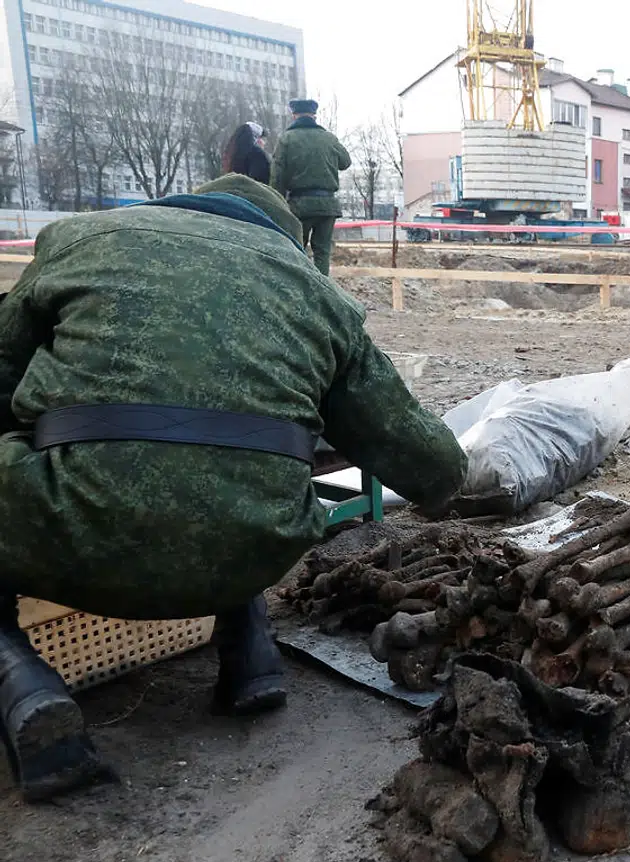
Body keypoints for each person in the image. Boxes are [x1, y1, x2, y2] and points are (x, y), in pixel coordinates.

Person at [0, 173, 465, 802]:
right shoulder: (316, 293)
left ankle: (26, 687)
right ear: (282, 236)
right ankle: (251, 657)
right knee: (243, 473)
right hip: (255, 548)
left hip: (71, 536)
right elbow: (431, 469)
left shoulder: (81, 239)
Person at [270, 98, 351, 276]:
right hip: (328, 206)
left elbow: (277, 176)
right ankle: (322, 291)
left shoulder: (287, 139)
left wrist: (277, 204)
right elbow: (345, 162)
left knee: (297, 249)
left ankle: (302, 290)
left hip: (300, 206)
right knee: (322, 252)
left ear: (294, 115)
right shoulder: (329, 138)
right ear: (314, 115)